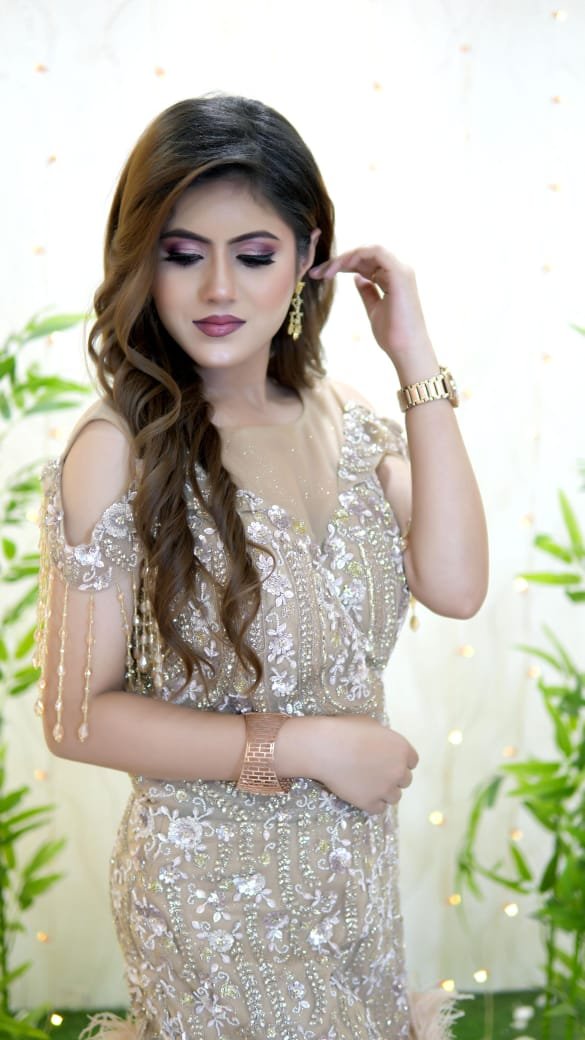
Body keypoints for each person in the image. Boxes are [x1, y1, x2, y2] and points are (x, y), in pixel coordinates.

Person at [35, 95, 488, 1040]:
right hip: (207, 901)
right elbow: (75, 718)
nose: (218, 290)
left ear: (306, 255)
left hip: (352, 891)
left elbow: (455, 585)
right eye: (181, 253)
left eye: (252, 255)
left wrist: (413, 356)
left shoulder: (346, 416)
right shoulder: (116, 448)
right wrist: (306, 747)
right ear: (140, 259)